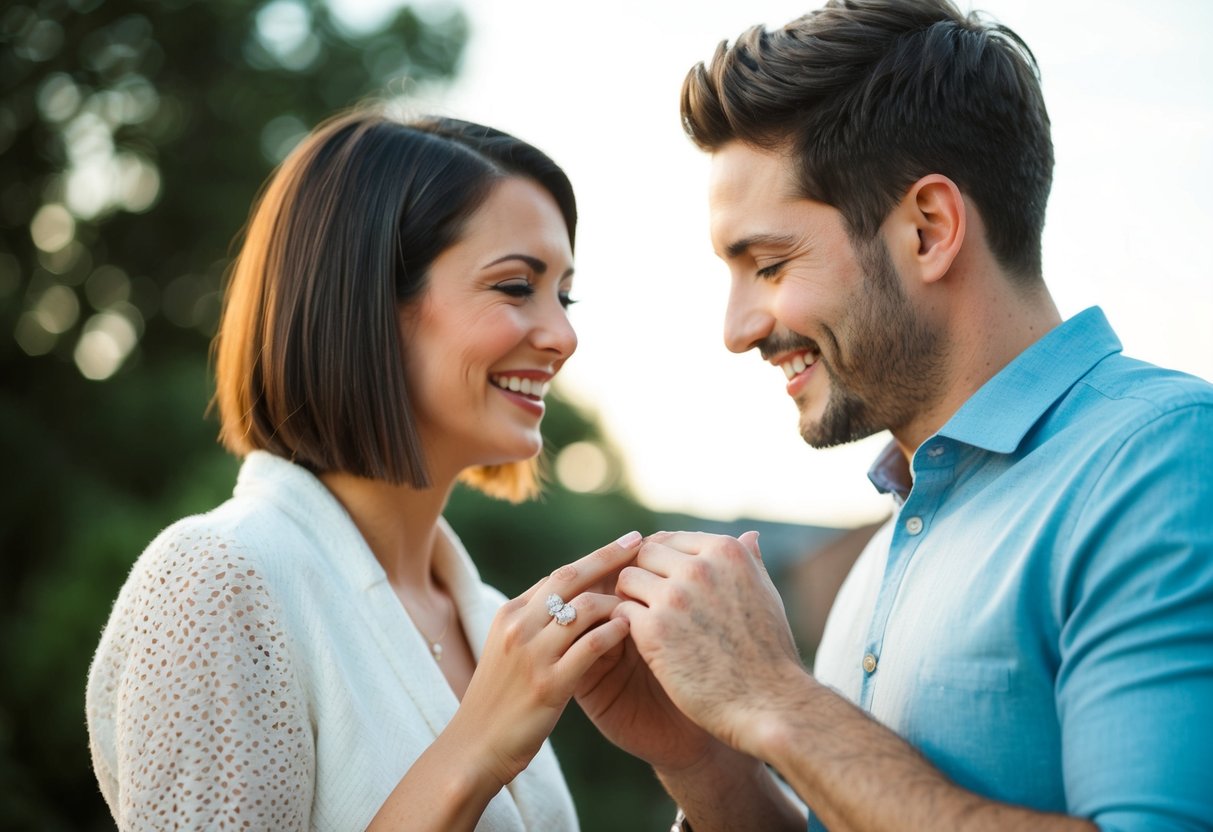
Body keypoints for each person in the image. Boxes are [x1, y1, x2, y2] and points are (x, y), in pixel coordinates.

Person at [573, 1, 1213, 830]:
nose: (735, 332)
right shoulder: (891, 545)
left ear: (927, 229)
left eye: (768, 265)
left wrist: (776, 699)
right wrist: (707, 761)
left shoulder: (1163, 462)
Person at [85, 107, 644, 831]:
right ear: (369, 302)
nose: (563, 335)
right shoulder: (217, 579)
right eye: (515, 287)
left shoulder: (486, 615)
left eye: (563, 295)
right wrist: (471, 753)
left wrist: (692, 764)